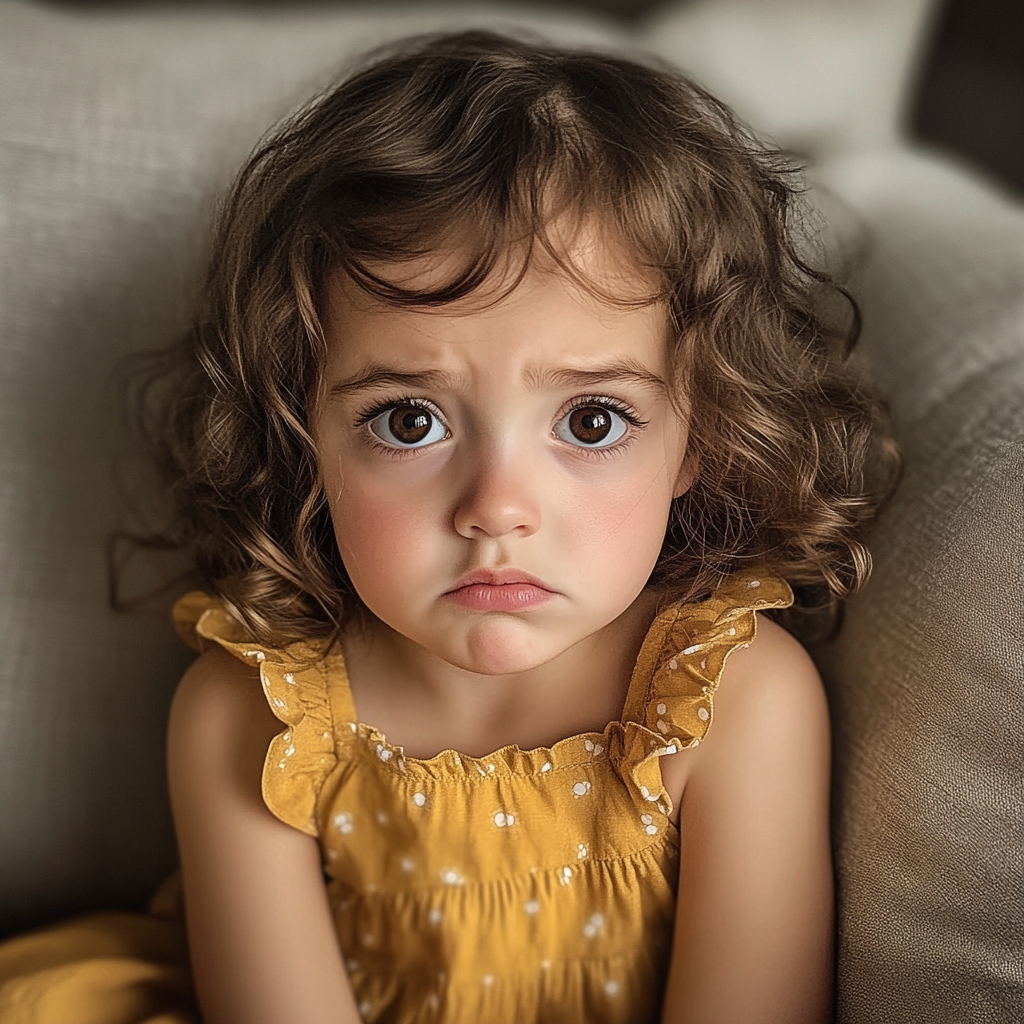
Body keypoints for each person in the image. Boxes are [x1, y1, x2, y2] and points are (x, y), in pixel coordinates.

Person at [0, 30, 897, 1024]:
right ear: (306, 437)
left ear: (700, 435)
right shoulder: (248, 717)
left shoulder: (732, 701)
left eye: (591, 421)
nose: (495, 507)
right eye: (408, 420)